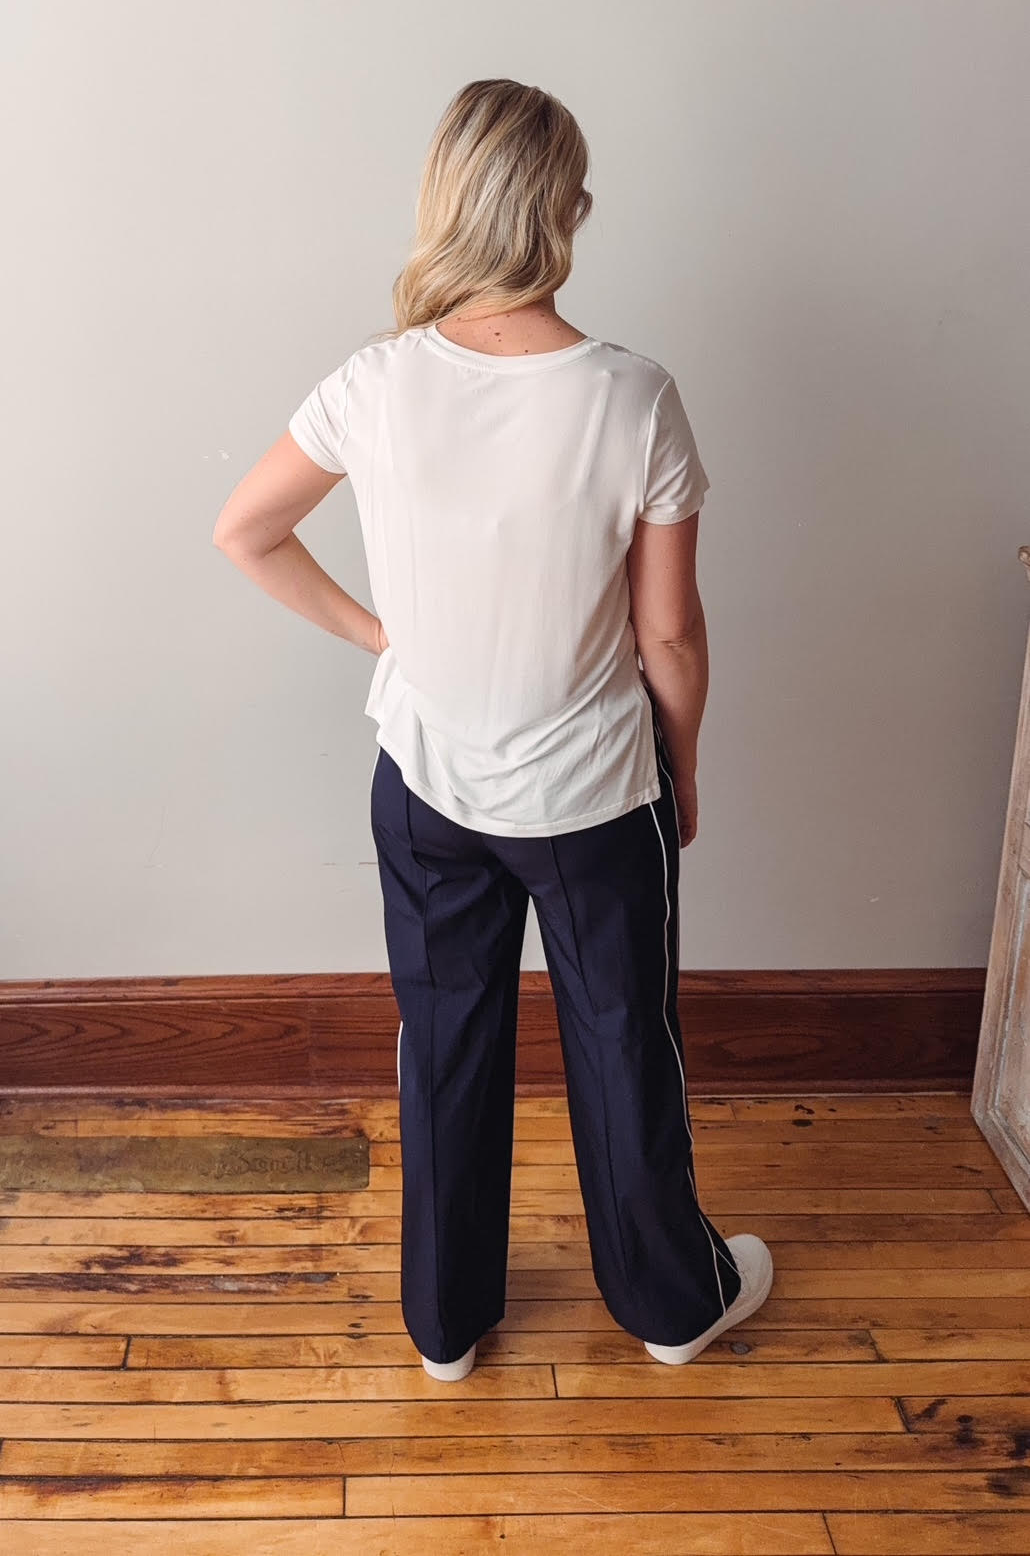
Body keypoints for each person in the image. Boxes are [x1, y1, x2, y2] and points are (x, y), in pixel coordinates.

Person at [212, 77, 773, 1382]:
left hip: (425, 788)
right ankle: (670, 1303)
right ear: (561, 210)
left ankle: (445, 1322)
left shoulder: (373, 381)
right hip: (591, 801)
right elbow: (670, 637)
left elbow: (244, 531)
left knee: (444, 1038)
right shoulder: (633, 397)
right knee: (624, 1040)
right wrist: (680, 766)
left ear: (450, 201)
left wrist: (383, 641)